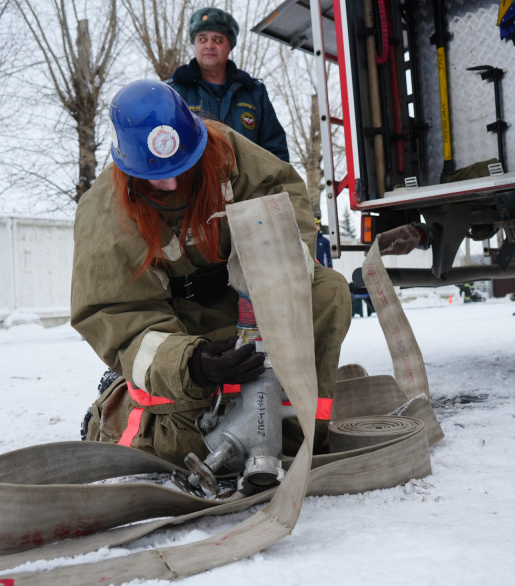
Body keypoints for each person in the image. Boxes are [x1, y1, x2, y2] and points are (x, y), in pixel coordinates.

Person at [71, 79, 351, 467]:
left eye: (182, 168)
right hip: (181, 329)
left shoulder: (226, 152)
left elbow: (282, 201)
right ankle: (115, 408)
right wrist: (191, 363)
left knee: (328, 291)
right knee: (183, 442)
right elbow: (116, 317)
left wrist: (275, 284)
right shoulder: (106, 212)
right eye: (156, 177)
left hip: (247, 304)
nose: (171, 184)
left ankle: (296, 436)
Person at [166, 7, 290, 162]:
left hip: (246, 185)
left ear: (230, 46)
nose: (209, 45)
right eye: (202, 39)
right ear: (195, 44)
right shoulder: (173, 92)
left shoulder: (254, 92)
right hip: (194, 185)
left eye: (217, 40)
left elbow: (276, 150)